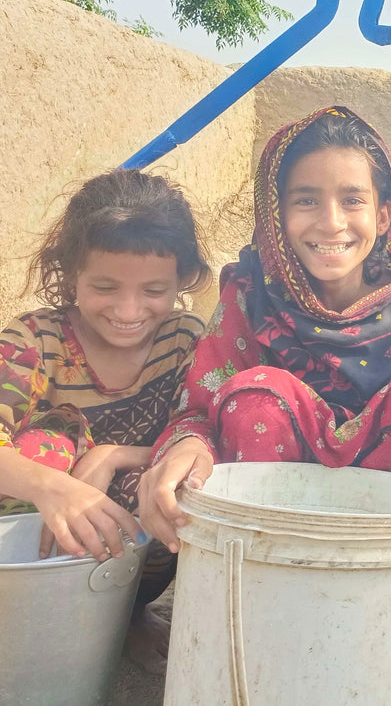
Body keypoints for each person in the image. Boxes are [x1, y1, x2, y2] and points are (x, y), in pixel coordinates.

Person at [138, 106, 391, 570]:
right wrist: (189, 446)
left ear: (384, 216)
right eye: (306, 200)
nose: (330, 222)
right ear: (276, 215)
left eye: (352, 200)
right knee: (258, 392)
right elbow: (202, 408)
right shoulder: (251, 296)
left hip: (388, 548)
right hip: (267, 543)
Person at [0, 168, 210, 670]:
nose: (129, 309)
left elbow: (200, 437)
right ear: (71, 272)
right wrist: (55, 487)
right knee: (44, 450)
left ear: (182, 280)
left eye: (154, 290)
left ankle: (127, 615)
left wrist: (112, 455)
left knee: (171, 486)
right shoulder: (35, 341)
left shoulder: (183, 341)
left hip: (127, 532)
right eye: (105, 286)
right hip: (33, 540)